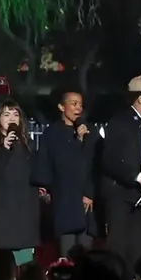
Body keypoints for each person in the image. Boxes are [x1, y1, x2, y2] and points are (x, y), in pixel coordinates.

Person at [98, 75, 141, 262]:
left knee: (140, 253)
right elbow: (109, 160)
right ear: (140, 98)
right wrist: (139, 177)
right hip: (120, 199)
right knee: (119, 254)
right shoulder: (120, 123)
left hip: (139, 200)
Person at [33, 89, 95, 254]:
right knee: (67, 252)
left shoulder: (90, 131)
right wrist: (45, 190)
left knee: (86, 252)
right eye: (73, 104)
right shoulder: (52, 134)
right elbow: (55, 164)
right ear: (61, 107)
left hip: (86, 200)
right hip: (64, 199)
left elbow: (92, 165)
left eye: (80, 104)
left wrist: (90, 193)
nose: (78, 108)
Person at [0, 101, 39, 264]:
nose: (12, 118)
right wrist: (4, 149)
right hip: (0, 216)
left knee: (24, 265)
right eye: (6, 114)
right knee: (0, 269)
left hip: (24, 216)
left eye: (16, 114)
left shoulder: (29, 145)